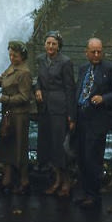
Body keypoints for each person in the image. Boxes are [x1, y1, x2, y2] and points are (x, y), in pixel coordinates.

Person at [74, 38, 112, 209]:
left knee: (93, 159)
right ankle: (85, 192)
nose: (96, 55)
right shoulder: (83, 69)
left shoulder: (111, 69)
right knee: (82, 158)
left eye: (99, 51)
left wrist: (104, 98)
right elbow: (78, 91)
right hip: (81, 119)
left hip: (97, 121)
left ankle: (94, 195)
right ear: (86, 52)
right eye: (93, 52)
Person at [34, 31, 76, 198]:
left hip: (60, 108)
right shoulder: (40, 59)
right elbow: (38, 79)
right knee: (49, 146)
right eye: (48, 43)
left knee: (60, 147)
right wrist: (37, 89)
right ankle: (57, 180)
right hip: (44, 108)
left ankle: (66, 181)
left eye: (54, 44)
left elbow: (70, 88)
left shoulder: (66, 62)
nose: (50, 46)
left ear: (59, 46)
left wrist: (71, 115)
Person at [0, 41, 33, 195]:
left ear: (22, 56)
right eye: (10, 54)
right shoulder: (12, 68)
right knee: (7, 145)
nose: (11, 57)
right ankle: (7, 180)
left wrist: (6, 99)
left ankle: (24, 181)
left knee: (19, 147)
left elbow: (25, 96)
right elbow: (1, 79)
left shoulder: (24, 73)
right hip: (9, 114)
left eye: (14, 55)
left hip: (19, 115)